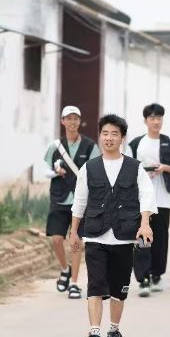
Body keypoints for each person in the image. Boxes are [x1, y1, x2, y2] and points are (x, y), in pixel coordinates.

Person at [69, 114, 156, 337]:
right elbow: (80, 201)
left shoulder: (135, 167)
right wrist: (74, 231)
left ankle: (114, 330)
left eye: (114, 134)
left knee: (119, 288)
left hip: (124, 236)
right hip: (95, 235)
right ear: (100, 136)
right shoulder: (89, 168)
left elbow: (147, 196)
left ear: (122, 138)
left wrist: (145, 223)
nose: (109, 138)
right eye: (105, 133)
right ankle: (94, 333)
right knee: (95, 285)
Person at [127, 103, 170, 297]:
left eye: (159, 118)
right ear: (145, 121)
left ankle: (156, 275)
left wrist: (164, 168)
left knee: (160, 238)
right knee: (142, 237)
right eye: (152, 118)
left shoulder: (169, 142)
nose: (156, 121)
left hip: (163, 198)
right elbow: (127, 168)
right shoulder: (136, 144)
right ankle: (143, 278)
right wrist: (142, 173)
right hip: (141, 200)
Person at [43, 106, 100, 299]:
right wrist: (55, 172)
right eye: (69, 118)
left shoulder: (90, 146)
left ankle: (74, 283)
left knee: (75, 241)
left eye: (76, 118)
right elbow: (45, 169)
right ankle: (64, 269)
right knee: (56, 239)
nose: (72, 122)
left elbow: (96, 170)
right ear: (63, 121)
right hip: (59, 198)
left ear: (80, 121)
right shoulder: (55, 146)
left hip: (81, 202)